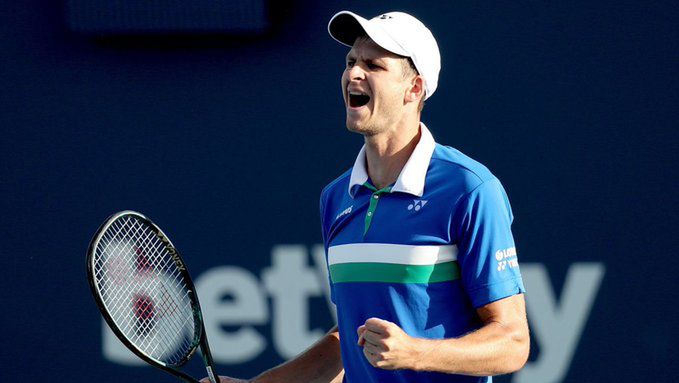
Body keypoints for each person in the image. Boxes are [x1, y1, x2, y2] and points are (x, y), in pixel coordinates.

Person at [204, 10, 529, 383]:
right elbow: (348, 341)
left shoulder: (470, 190)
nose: (353, 74)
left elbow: (512, 342)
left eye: (373, 65)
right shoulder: (336, 197)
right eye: (350, 62)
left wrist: (414, 352)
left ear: (414, 89)